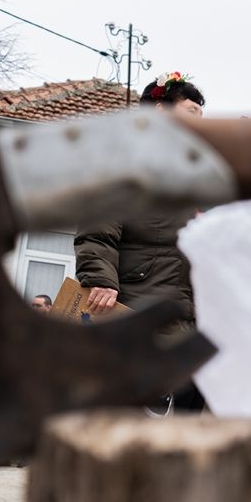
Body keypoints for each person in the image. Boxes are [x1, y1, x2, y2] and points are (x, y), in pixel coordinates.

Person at [75, 71, 206, 414]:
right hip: (139, 301)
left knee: (191, 397)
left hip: (184, 306)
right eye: (192, 113)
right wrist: (101, 280)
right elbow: (98, 227)